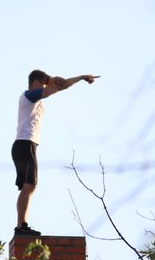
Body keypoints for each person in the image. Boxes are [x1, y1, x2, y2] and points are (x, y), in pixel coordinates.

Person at [12, 69, 98, 235]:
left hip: (24, 145)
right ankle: (21, 226)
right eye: (43, 84)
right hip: (25, 144)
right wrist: (52, 81)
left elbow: (62, 85)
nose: (45, 87)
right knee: (29, 185)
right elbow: (57, 88)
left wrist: (80, 77)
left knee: (28, 186)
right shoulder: (30, 96)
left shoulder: (31, 98)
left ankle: (21, 225)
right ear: (36, 83)